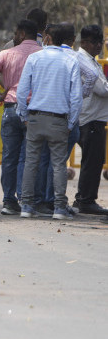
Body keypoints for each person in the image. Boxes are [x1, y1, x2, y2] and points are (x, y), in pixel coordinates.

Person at [15, 23, 82, 219]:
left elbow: (21, 92)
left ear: (48, 38)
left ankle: (26, 206)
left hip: (35, 117)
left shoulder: (35, 58)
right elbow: (76, 98)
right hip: (59, 120)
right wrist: (71, 123)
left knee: (31, 162)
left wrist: (24, 116)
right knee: (59, 164)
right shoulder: (71, 61)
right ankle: (59, 208)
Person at [0, 19, 42, 215]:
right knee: (27, 157)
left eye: (16, 33)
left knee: (9, 156)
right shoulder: (42, 54)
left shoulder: (8, 53)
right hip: (33, 110)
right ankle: (24, 199)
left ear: (22, 33)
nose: (14, 37)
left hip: (9, 108)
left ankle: (8, 201)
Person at [73, 24, 108, 215]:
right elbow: (102, 89)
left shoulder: (91, 61)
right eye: (94, 42)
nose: (98, 46)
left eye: (100, 42)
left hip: (94, 117)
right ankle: (86, 200)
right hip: (90, 119)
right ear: (84, 42)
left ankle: (85, 199)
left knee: (94, 159)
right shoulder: (83, 61)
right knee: (93, 159)